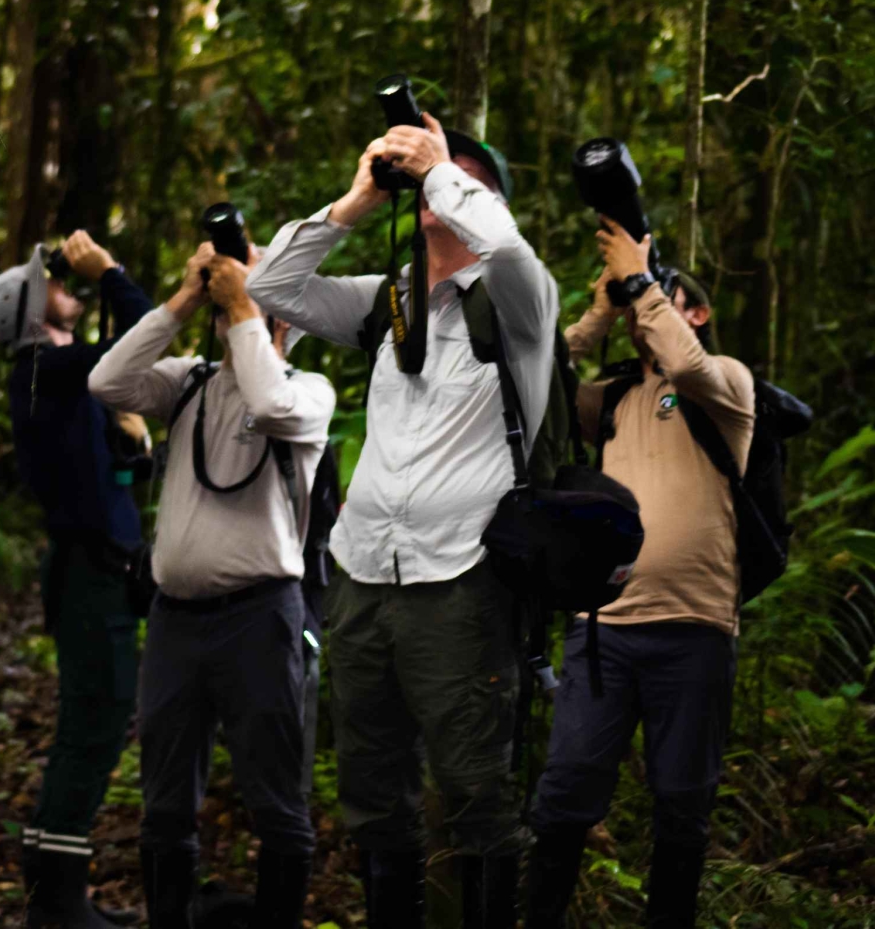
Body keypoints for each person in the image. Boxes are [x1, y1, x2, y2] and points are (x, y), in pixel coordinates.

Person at [247, 113, 560, 928]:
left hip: (459, 583)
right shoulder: (388, 304)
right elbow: (270, 289)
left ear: (479, 199)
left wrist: (441, 169)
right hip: (363, 576)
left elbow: (516, 250)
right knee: (370, 790)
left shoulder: (519, 308)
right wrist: (354, 201)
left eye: (457, 176)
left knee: (474, 790)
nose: (432, 183)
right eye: (426, 175)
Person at [90, 242, 336, 929]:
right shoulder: (188, 384)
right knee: (165, 801)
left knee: (276, 802)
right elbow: (107, 382)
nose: (237, 300)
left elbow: (269, 401)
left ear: (279, 317)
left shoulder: (308, 392)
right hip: (176, 621)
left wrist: (245, 306)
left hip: (260, 618)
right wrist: (183, 300)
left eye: (254, 292)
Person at [525, 222, 755, 929]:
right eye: (637, 300)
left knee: (681, 804)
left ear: (697, 313)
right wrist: (600, 309)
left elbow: (685, 369)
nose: (642, 307)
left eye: (659, 296)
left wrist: (641, 277)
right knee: (564, 796)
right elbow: (540, 382)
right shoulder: (615, 399)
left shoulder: (727, 383)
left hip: (693, 632)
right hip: (606, 635)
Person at [0, 231, 152, 929]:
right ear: (30, 309)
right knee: (95, 721)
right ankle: (56, 898)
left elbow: (107, 467)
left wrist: (131, 449)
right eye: (52, 280)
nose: (65, 282)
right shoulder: (41, 368)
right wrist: (110, 270)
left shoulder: (52, 376)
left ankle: (55, 887)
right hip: (87, 573)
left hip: (98, 568)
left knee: (95, 719)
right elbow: (145, 336)